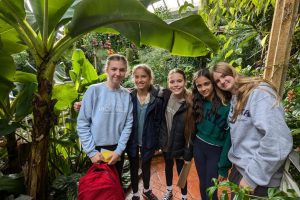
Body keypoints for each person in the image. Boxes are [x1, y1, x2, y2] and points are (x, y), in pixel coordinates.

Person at [211, 62, 293, 197]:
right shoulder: (234, 97)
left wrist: (251, 178)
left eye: (224, 76)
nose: (222, 81)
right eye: (217, 81)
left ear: (232, 72)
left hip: (259, 180)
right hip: (239, 169)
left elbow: (278, 141)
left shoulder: (259, 93)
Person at [76, 54, 133, 181]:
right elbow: (82, 123)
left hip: (116, 149)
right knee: (99, 189)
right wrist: (91, 152)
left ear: (126, 72)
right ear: (106, 69)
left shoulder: (127, 96)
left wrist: (119, 151)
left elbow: (128, 125)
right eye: (114, 69)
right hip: (96, 149)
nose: (117, 73)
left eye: (122, 70)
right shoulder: (93, 91)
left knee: (114, 187)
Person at [192, 68, 232, 200]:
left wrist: (223, 167)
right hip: (198, 147)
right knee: (203, 184)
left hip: (216, 151)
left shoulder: (227, 104)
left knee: (211, 188)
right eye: (199, 85)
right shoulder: (198, 102)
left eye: (206, 84)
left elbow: (229, 139)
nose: (203, 88)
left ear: (213, 83)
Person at [126, 64, 163, 200]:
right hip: (132, 139)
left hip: (149, 139)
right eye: (136, 77)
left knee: (146, 166)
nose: (139, 80)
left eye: (143, 76)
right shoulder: (129, 96)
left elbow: (159, 122)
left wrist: (157, 143)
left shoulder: (157, 98)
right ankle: (135, 193)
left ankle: (147, 190)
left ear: (149, 78)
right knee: (133, 167)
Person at [159, 68, 195, 200]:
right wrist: (161, 140)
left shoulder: (191, 101)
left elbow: (192, 131)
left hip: (181, 146)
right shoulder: (166, 95)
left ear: (185, 81)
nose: (176, 85)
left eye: (179, 81)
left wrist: (188, 152)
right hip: (167, 143)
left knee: (182, 173)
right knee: (168, 167)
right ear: (168, 83)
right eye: (172, 81)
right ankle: (169, 191)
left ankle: (184, 196)